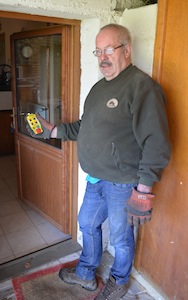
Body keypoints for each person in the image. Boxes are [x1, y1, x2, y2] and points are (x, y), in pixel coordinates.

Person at [26, 24, 171, 300]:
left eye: (109, 49)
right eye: (98, 51)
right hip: (96, 179)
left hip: (122, 182)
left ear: (126, 50)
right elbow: (85, 127)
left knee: (119, 237)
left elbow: (156, 142)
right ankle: (85, 274)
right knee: (87, 224)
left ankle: (119, 281)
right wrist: (52, 130)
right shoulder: (98, 88)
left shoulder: (142, 87)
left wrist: (143, 190)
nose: (102, 57)